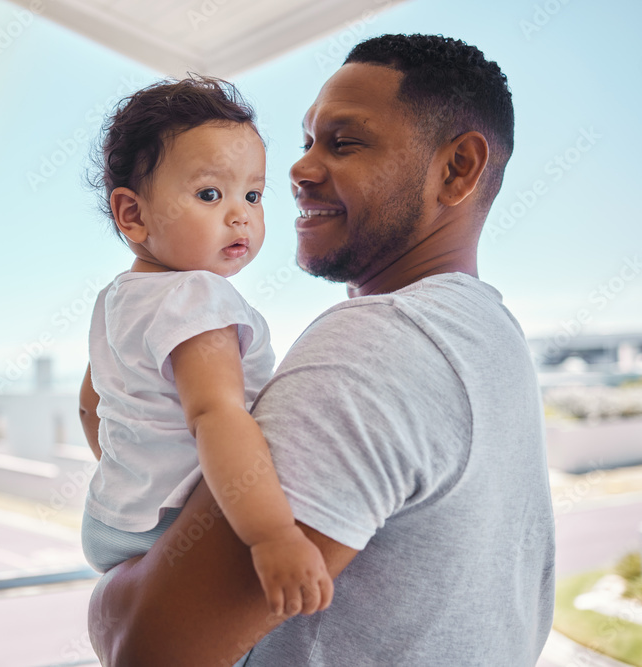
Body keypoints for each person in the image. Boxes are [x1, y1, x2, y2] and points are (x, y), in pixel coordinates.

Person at [85, 34, 556, 666]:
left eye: (345, 142)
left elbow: (148, 650)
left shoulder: (376, 346)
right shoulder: (486, 329)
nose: (298, 171)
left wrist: (107, 604)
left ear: (458, 168)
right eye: (307, 142)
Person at [77, 75, 333, 632]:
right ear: (132, 214)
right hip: (171, 524)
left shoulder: (116, 300)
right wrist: (272, 535)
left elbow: (91, 406)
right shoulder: (198, 295)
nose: (240, 214)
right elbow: (217, 415)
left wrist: (134, 475)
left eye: (254, 195)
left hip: (111, 520)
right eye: (210, 194)